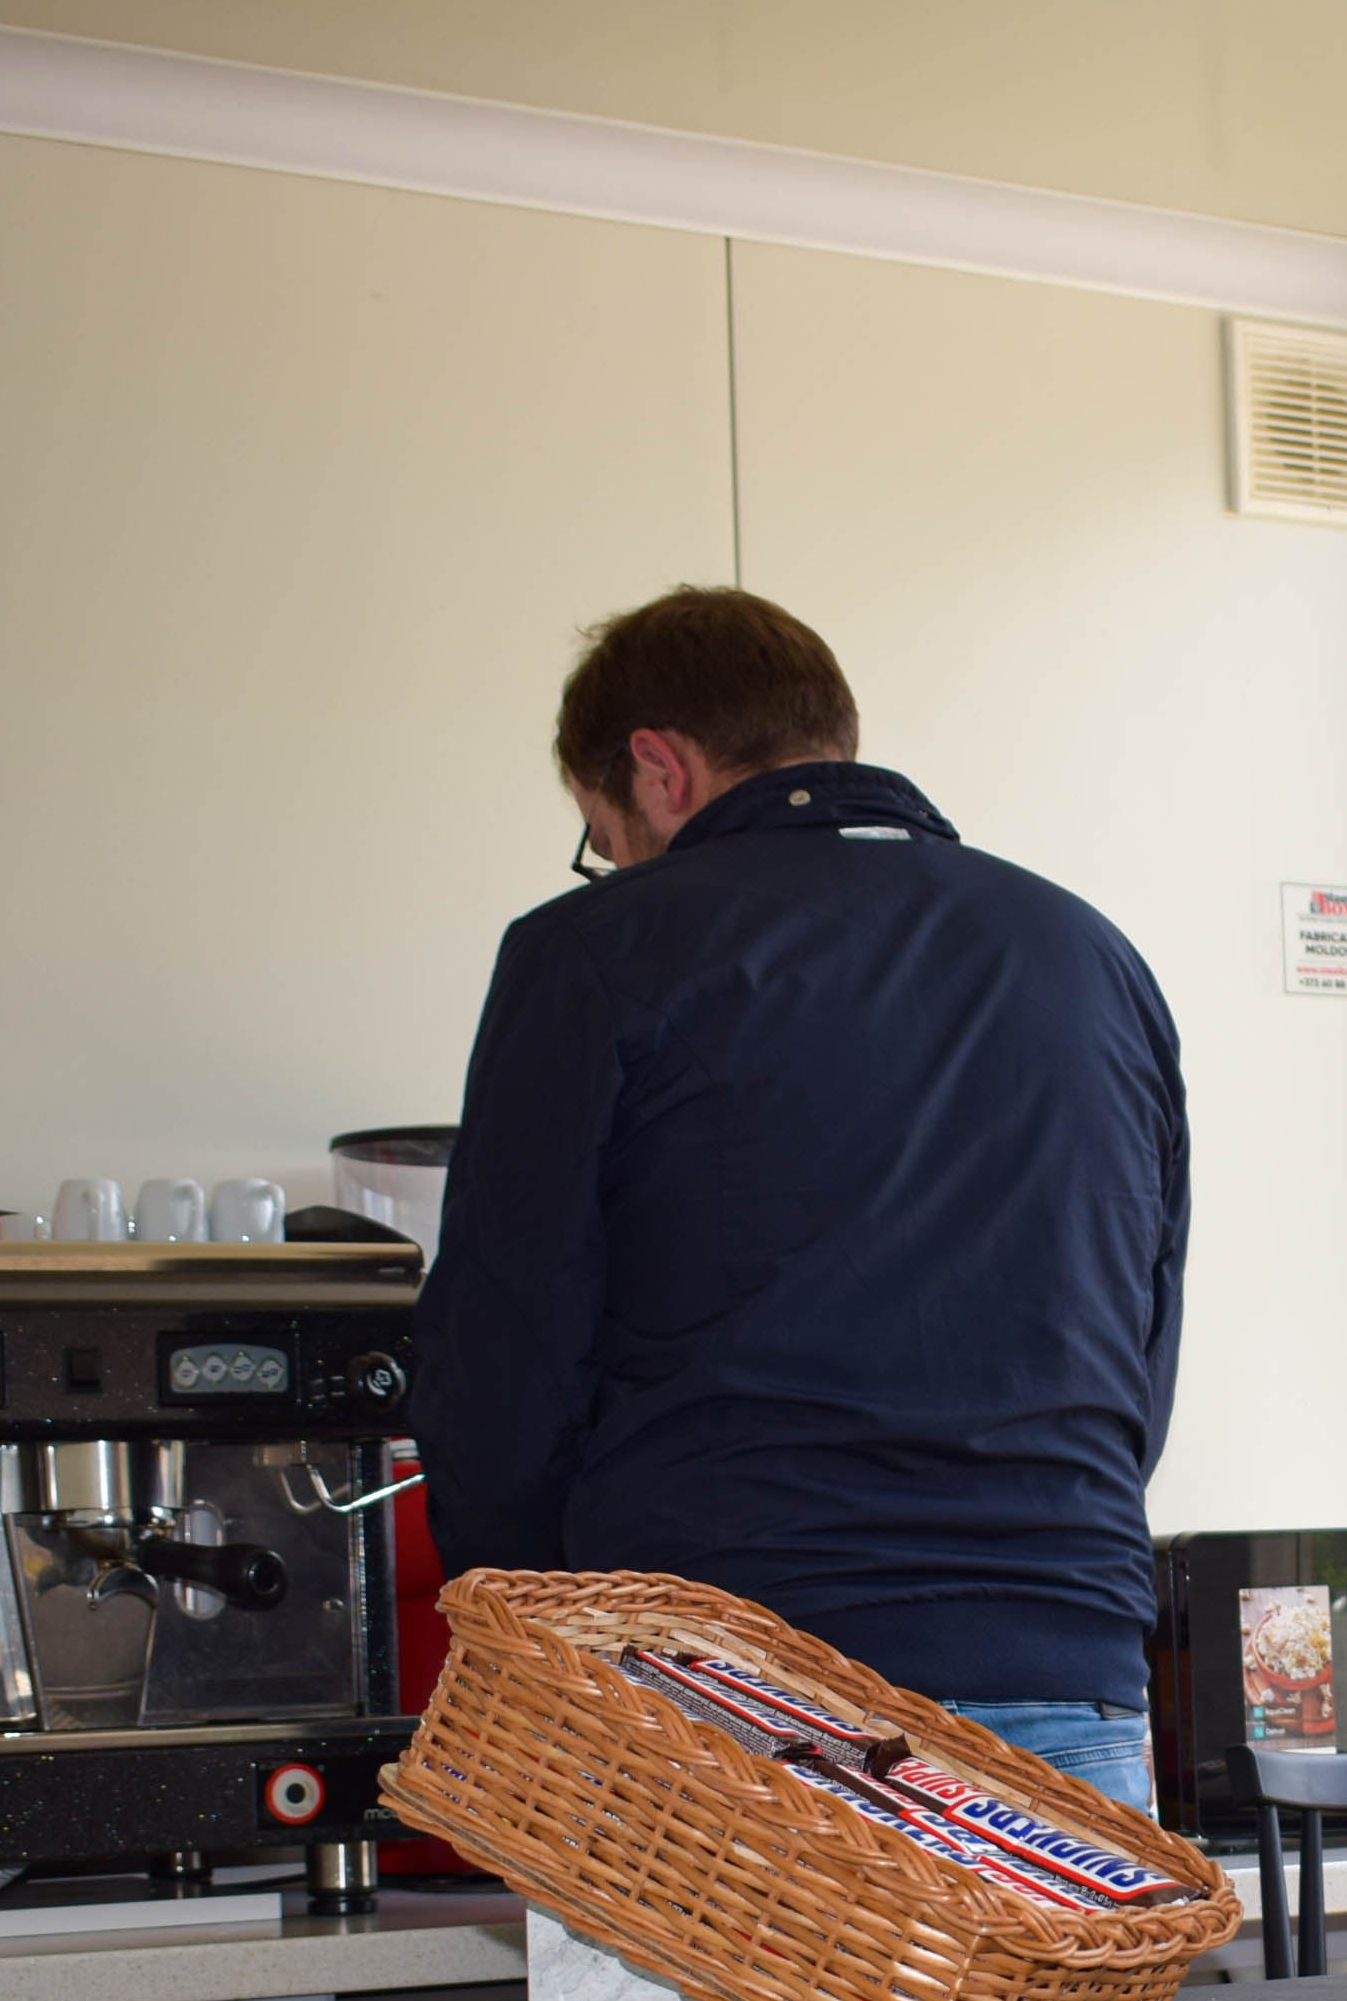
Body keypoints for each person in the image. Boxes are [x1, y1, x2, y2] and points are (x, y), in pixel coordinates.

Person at [414, 587, 1188, 1811]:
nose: (612, 869)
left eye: (602, 837)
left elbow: (505, 1353)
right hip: (1065, 1674)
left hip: (730, 1688)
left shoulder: (598, 949)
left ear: (656, 768)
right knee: (1036, 1960)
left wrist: (533, 1634)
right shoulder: (1090, 955)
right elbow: (1142, 1336)